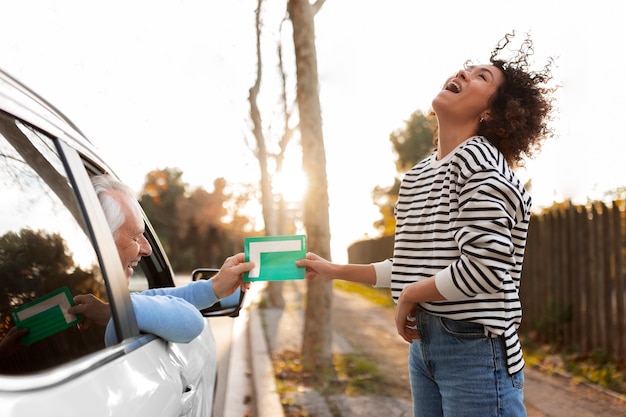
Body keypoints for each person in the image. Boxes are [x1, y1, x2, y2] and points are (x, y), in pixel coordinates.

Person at [296, 32, 555, 417]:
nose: (464, 74)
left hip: (475, 353)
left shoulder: (482, 164)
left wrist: (411, 296)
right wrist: (334, 270)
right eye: (466, 69)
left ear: (492, 113)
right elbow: (413, 266)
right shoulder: (418, 176)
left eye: (481, 77)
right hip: (425, 347)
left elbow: (484, 269)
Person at [68, 174, 255, 346]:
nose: (148, 249)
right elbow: (192, 321)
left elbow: (153, 301)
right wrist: (117, 311)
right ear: (100, 243)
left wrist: (214, 286)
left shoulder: (77, 304)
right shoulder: (116, 329)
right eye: (135, 237)